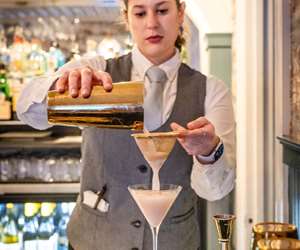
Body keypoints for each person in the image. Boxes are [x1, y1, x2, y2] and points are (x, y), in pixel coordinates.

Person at [17, 0, 236, 249]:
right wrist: (60, 87)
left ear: (181, 13)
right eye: (140, 12)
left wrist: (209, 152)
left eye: (162, 10)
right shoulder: (96, 70)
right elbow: (27, 110)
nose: (152, 23)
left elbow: (216, 191)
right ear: (127, 17)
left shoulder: (211, 91)